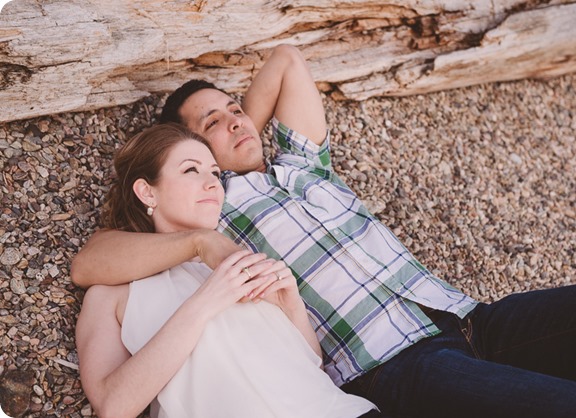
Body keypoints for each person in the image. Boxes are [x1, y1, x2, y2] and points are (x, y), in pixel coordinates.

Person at [72, 45, 576, 417]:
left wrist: (239, 129)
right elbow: (95, 260)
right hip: (392, 366)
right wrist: (207, 179)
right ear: (187, 152)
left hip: (466, 317)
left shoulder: (303, 166)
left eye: (234, 108)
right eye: (210, 123)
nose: (235, 120)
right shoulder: (211, 204)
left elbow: (288, 59)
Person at [74, 123, 379, 418]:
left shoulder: (232, 261)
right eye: (191, 170)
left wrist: (292, 307)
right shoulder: (111, 292)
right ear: (147, 192)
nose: (212, 184)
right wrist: (205, 302)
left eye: (215, 173)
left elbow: (309, 371)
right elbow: (112, 406)